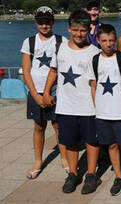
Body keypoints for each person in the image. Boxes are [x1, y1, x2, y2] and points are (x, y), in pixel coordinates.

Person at [42, 10, 101, 194]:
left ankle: (91, 174)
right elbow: (53, 71)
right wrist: (45, 92)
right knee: (70, 142)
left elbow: (96, 82)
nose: (79, 34)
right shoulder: (60, 48)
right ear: (69, 29)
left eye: (83, 30)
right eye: (75, 30)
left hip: (89, 107)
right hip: (66, 106)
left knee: (92, 141)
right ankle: (73, 174)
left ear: (89, 30)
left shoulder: (95, 52)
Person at [90, 24, 121, 195]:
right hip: (103, 113)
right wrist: (97, 109)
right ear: (98, 41)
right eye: (104, 41)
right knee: (111, 146)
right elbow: (94, 85)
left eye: (111, 40)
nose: (109, 44)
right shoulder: (95, 60)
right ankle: (118, 176)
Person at [21, 6, 68, 179]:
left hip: (55, 89)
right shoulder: (29, 42)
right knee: (39, 126)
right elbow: (26, 71)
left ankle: (64, 157)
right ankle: (38, 161)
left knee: (58, 125)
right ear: (36, 23)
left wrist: (50, 93)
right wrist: (35, 95)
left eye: (47, 22)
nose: (44, 25)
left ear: (53, 22)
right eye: (41, 22)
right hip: (36, 89)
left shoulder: (61, 40)